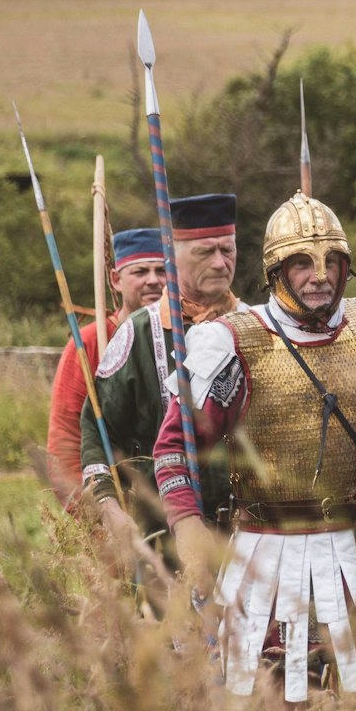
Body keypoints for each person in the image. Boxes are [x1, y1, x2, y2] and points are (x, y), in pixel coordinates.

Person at [153, 192, 356, 711]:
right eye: (302, 261)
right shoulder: (232, 343)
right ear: (277, 271)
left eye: (331, 261)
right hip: (269, 551)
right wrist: (187, 526)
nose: (319, 275)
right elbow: (175, 447)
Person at [81, 194, 248, 566]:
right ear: (173, 255)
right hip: (162, 541)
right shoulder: (138, 334)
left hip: (251, 540)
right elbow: (98, 431)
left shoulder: (258, 328)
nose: (221, 263)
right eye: (206, 252)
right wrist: (108, 506)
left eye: (228, 250)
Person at [45, 228, 166, 508]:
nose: (153, 280)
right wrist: (93, 515)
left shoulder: (188, 336)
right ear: (116, 279)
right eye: (140, 272)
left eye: (161, 270)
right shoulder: (89, 342)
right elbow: (66, 438)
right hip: (115, 505)